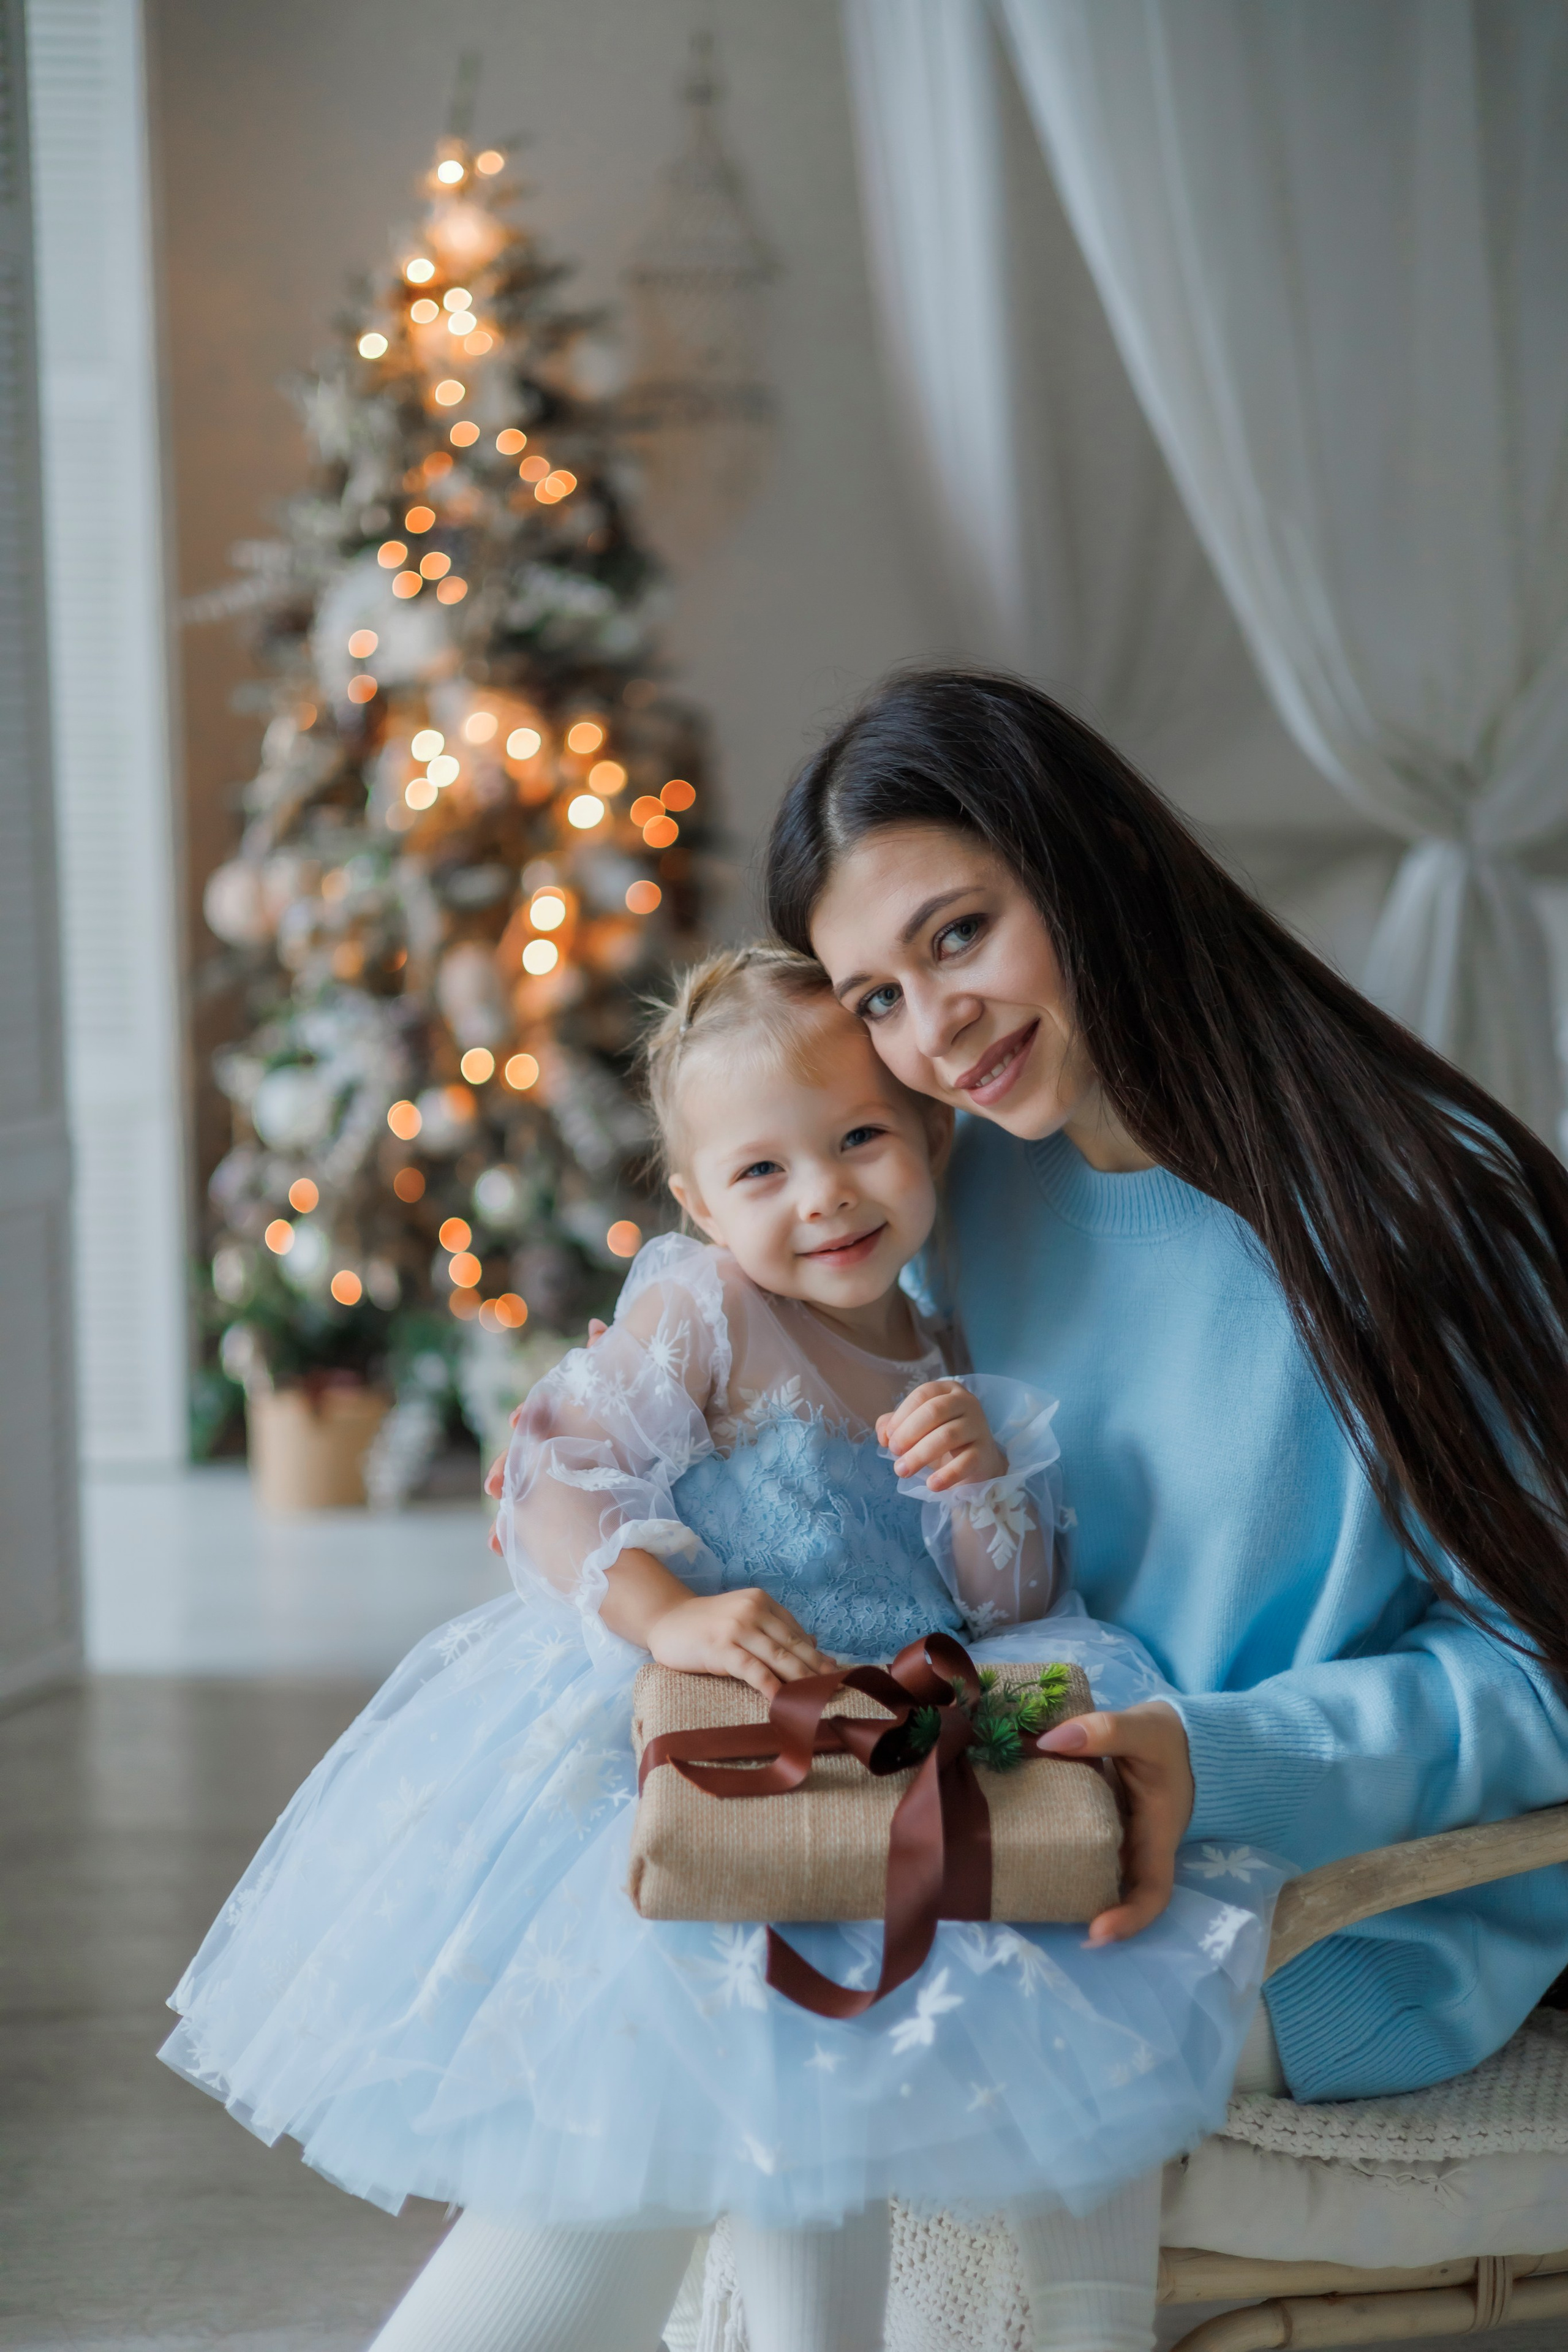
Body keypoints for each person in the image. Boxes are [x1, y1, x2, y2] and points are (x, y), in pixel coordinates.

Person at [161, 944, 1281, 2352]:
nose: (822, 1195)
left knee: (914, 2035)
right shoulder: (710, 1310)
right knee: (769, 2080)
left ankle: (1043, 2320)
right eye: (760, 1173)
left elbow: (1007, 1603)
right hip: (720, 1752)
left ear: (929, 1133)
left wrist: (977, 1483)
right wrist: (664, 1612)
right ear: (695, 1203)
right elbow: (552, 1476)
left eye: (859, 1139)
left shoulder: (944, 1350)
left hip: (872, 1769)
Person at [763, 662, 1568, 2336]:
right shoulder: (974, 1211)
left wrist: (1216, 1759)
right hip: (1047, 1832)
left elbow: (1543, 1673)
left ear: (1094, 861)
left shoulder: (1418, 1211)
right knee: (711, 1997)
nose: (935, 1031)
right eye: (880, 998)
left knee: (796, 2050)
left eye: (960, 936)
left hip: (1339, 1914)